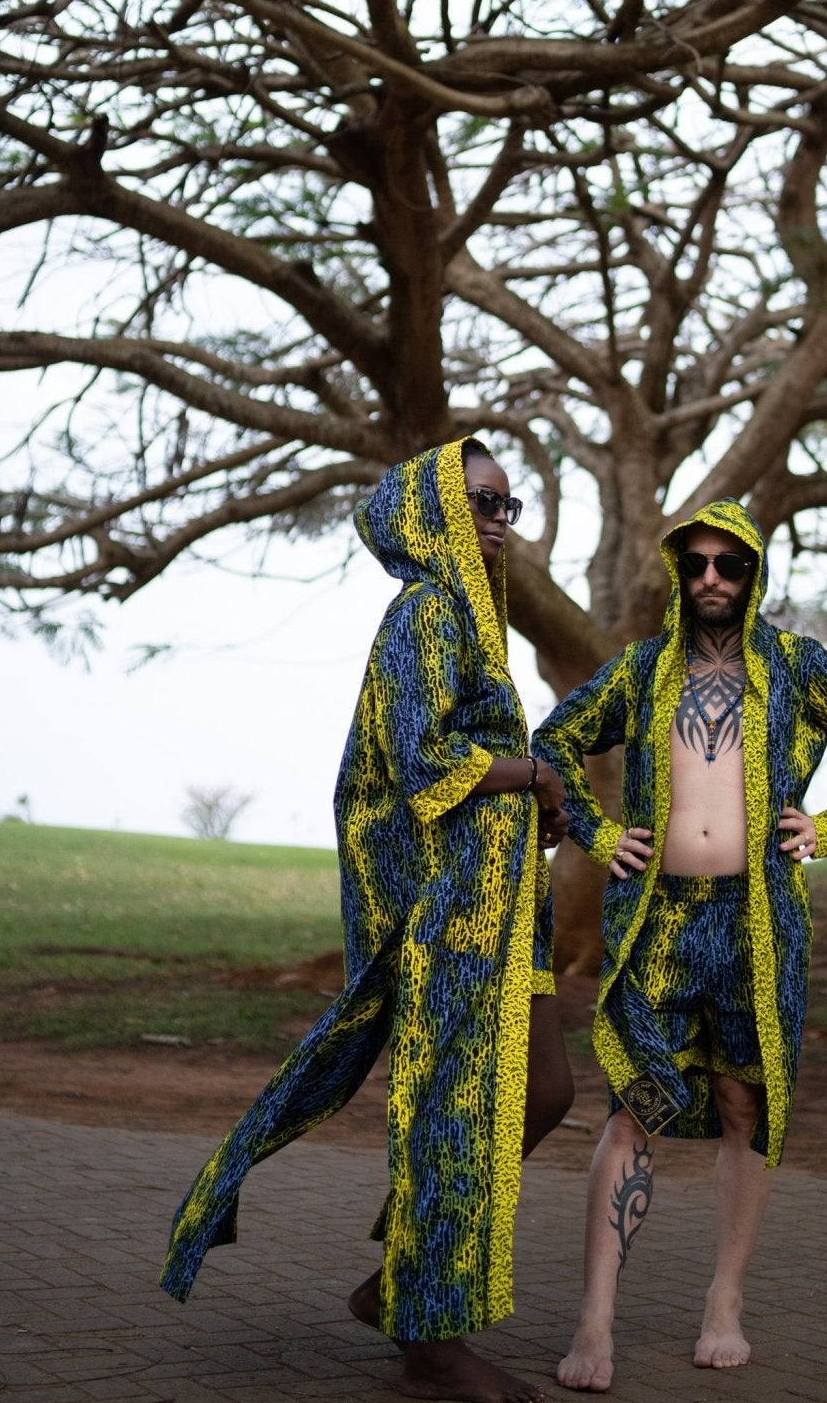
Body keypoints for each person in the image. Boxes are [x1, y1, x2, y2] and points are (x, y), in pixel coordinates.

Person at [161, 437, 575, 1403]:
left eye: (508, 506)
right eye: (480, 502)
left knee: (544, 1092)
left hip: (510, 912)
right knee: (455, 1124)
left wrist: (537, 802)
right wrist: (537, 773)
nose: (498, 521)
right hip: (450, 924)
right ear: (428, 513)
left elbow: (470, 768)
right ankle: (429, 1347)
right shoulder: (425, 616)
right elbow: (424, 765)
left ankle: (400, 1283)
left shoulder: (477, 623)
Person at [531, 498, 827, 1392]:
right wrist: (591, 829)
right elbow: (553, 740)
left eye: (729, 564)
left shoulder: (795, 667)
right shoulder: (639, 672)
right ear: (678, 573)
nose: (712, 578)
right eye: (698, 564)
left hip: (759, 922)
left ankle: (724, 1301)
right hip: (654, 923)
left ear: (753, 573)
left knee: (747, 1106)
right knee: (634, 1106)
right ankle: (594, 1320)